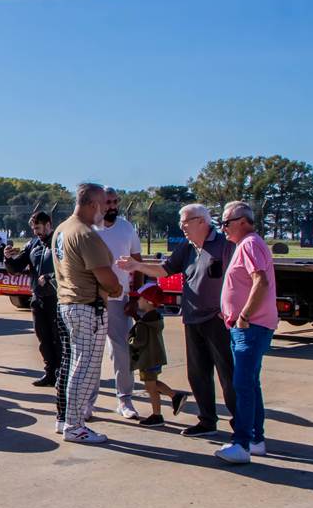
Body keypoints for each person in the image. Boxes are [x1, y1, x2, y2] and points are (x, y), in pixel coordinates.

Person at [117, 204, 237, 436]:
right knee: (197, 373)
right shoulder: (187, 247)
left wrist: (232, 309)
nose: (181, 226)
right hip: (192, 318)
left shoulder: (225, 245)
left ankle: (240, 426)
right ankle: (207, 421)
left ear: (202, 221)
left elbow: (240, 277)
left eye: (185, 221)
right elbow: (166, 270)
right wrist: (137, 266)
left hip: (218, 319)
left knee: (227, 374)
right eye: (181, 222)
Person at [52, 183, 123, 444]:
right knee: (86, 369)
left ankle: (68, 421)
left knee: (76, 366)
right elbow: (106, 277)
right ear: (93, 204)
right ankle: (74, 425)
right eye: (104, 204)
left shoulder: (62, 229)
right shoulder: (85, 234)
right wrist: (115, 289)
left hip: (69, 304)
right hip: (87, 307)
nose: (107, 209)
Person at [215, 201, 278, 465]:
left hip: (250, 328)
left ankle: (242, 443)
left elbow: (259, 281)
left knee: (242, 384)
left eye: (226, 223)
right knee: (250, 383)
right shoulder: (248, 244)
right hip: (247, 327)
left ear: (242, 221)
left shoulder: (250, 244)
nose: (223, 229)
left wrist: (243, 316)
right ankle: (255, 439)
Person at [93, 187, 143, 419]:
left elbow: (138, 263)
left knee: (122, 351)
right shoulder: (88, 228)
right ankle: (88, 401)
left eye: (115, 201)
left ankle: (125, 400)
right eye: (108, 202)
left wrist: (134, 297)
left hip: (119, 300)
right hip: (92, 300)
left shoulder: (126, 227)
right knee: (91, 352)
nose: (112, 206)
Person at [4, 211, 61, 386]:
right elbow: (16, 268)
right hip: (38, 298)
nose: (36, 232)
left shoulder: (60, 242)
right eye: (33, 228)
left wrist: (51, 276)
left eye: (38, 228)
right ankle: (50, 372)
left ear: (48, 225)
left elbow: (69, 267)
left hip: (57, 298)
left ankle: (61, 372)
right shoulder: (32, 244)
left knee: (57, 337)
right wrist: (7, 258)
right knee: (43, 337)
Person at [128, 283, 189, 427]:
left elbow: (138, 341)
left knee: (151, 387)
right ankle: (174, 397)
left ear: (149, 302)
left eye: (140, 299)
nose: (137, 301)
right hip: (155, 357)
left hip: (148, 359)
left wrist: (129, 339)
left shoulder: (144, 323)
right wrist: (137, 317)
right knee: (153, 383)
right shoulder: (155, 318)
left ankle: (158, 414)